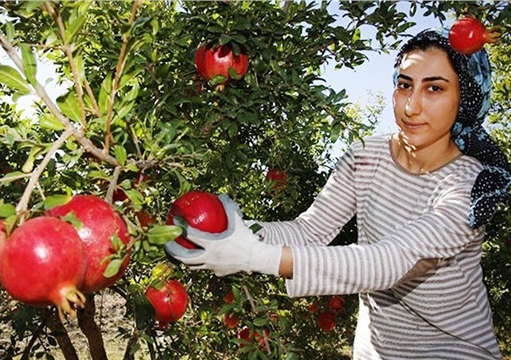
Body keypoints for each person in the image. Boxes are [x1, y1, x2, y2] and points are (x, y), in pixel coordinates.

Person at [165, 27, 510, 360]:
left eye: (434, 89)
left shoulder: (471, 186)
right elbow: (309, 231)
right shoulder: (366, 157)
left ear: (464, 98)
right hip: (374, 352)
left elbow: (391, 261)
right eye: (405, 85)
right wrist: (238, 232)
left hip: (455, 351)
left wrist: (256, 256)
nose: (411, 107)